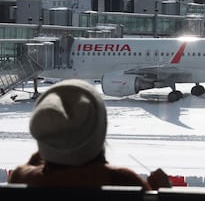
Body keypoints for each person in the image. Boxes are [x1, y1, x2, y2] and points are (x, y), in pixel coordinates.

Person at [8, 79, 171, 190]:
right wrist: (163, 194)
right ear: (99, 129)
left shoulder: (20, 179)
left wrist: (52, 147)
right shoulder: (122, 180)